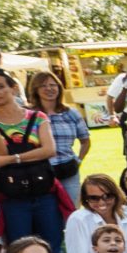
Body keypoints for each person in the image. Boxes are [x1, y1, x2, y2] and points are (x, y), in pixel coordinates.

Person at [29, 69, 89, 197]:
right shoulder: (28, 115)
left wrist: (78, 160)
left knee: (71, 206)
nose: (49, 89)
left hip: (68, 170)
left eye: (53, 85)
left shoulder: (71, 113)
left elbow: (85, 141)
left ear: (59, 87)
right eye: (43, 86)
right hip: (40, 172)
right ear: (35, 90)